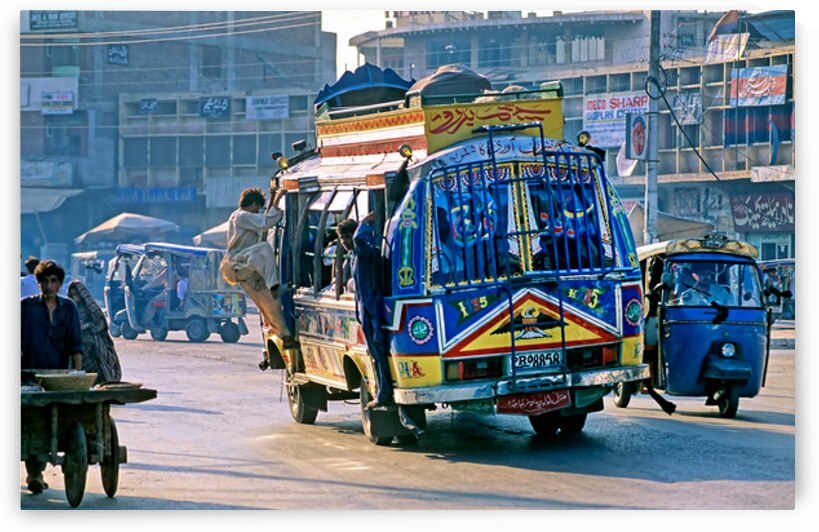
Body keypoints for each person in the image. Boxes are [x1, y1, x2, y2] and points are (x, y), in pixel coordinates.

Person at [21, 259, 83, 494]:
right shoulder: (25, 307)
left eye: (53, 281)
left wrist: (77, 377)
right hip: (28, 376)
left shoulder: (69, 308)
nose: (48, 286)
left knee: (55, 421)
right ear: (38, 283)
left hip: (59, 378)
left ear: (59, 284)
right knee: (32, 421)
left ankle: (36, 471)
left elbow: (76, 346)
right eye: (44, 281)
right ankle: (35, 473)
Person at [221, 187, 295, 347]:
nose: (258, 211)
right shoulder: (242, 216)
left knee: (269, 303)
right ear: (253, 203)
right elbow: (266, 222)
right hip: (240, 262)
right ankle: (274, 286)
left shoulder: (236, 216)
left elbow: (264, 223)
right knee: (264, 248)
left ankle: (285, 336)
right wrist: (279, 197)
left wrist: (273, 197)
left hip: (247, 265)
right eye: (258, 207)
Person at [352, 212, 393, 409]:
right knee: (377, 355)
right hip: (370, 309)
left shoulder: (365, 253)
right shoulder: (366, 255)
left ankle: (384, 392)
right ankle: (383, 390)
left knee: (378, 354)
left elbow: (358, 239)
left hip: (372, 309)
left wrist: (363, 223)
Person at [67, 279, 122, 385]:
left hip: (94, 346)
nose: (75, 297)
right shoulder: (71, 308)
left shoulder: (90, 307)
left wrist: (86, 327)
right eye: (72, 295)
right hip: (79, 344)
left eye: (76, 294)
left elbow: (100, 322)